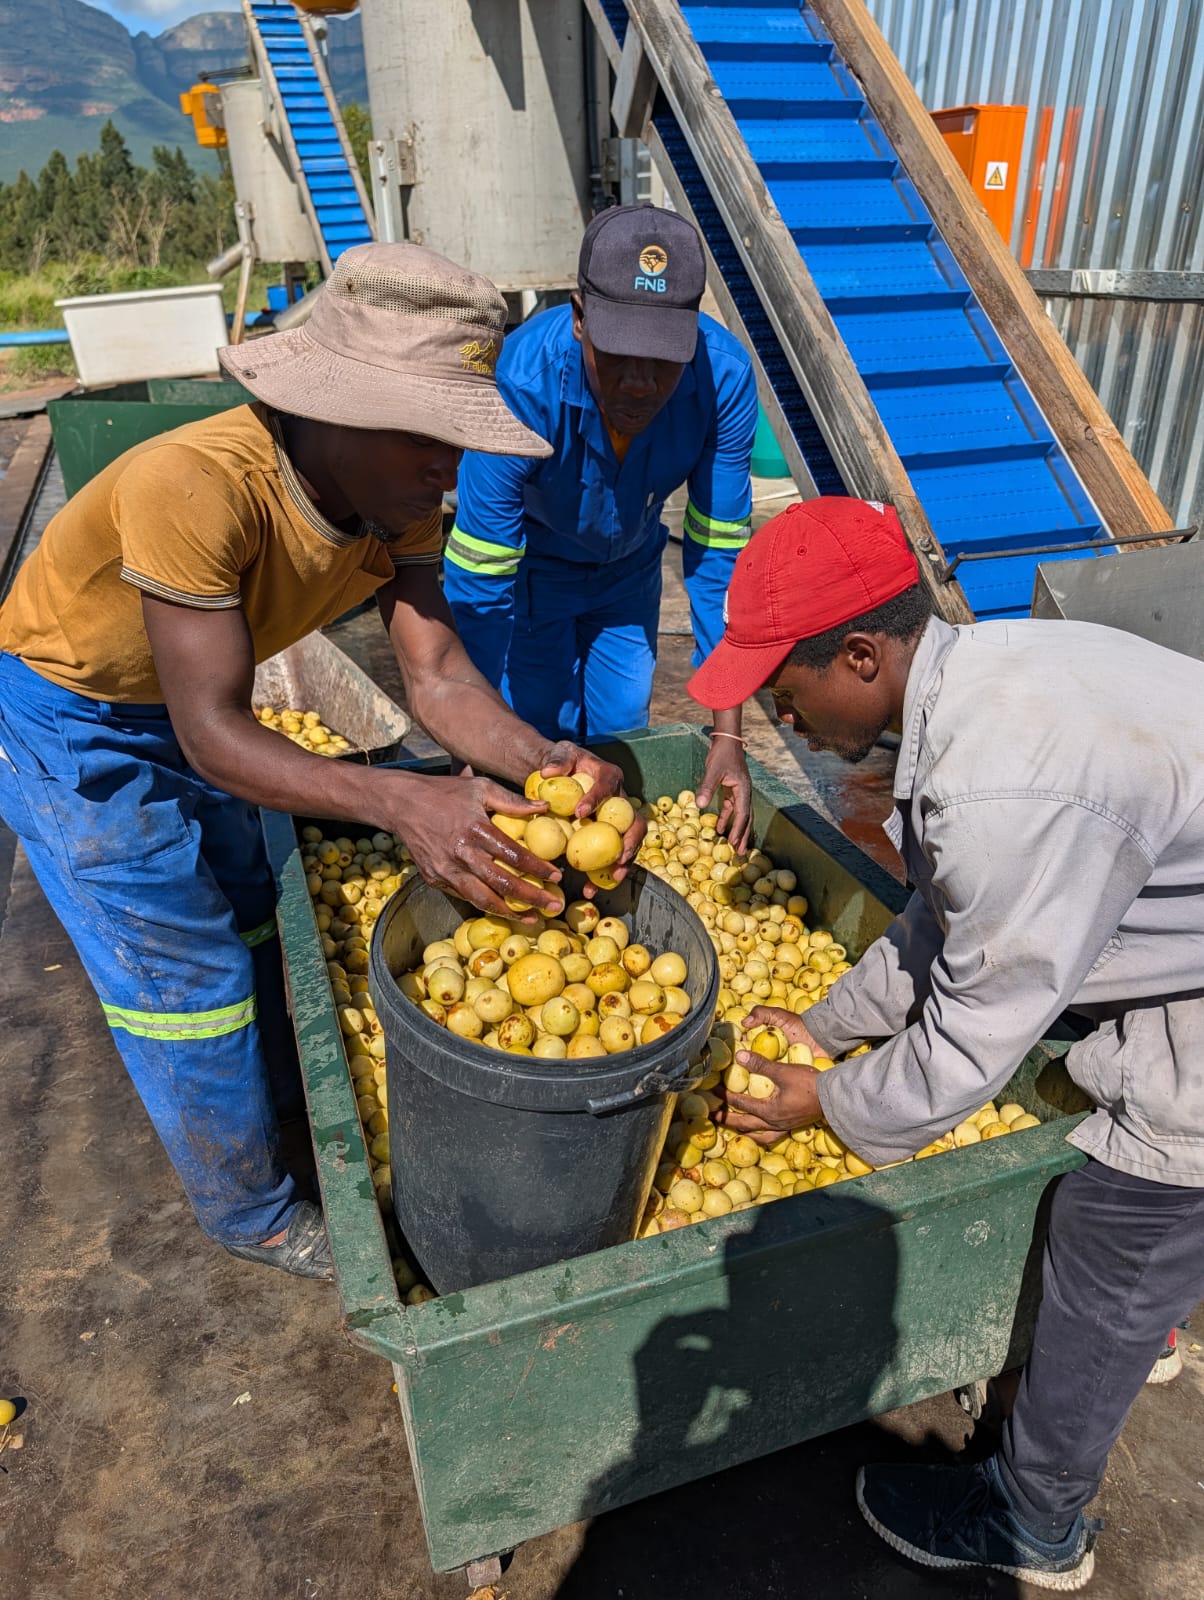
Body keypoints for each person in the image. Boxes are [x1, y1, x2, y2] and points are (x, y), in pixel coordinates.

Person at [0, 243, 640, 1282]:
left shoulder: (398, 505)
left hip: (192, 697)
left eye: (458, 436)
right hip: (71, 717)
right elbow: (210, 732)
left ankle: (280, 1078)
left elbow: (435, 680)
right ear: (332, 408)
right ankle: (246, 1206)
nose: (453, 465)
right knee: (181, 963)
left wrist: (544, 761)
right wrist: (402, 800)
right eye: (429, 434)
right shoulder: (195, 487)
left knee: (255, 892)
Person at [688, 496, 1204, 1591]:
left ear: (862, 655)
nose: (779, 710)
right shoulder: (979, 678)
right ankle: (1135, 1324)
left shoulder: (999, 779)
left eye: (786, 686)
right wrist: (825, 1026)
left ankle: (1035, 1522)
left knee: (1122, 1215)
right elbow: (948, 919)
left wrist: (819, 1102)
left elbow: (972, 1031)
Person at [445, 204, 760, 850]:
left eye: (663, 360)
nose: (641, 384)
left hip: (629, 578)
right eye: (619, 356)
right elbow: (480, 581)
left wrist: (728, 734)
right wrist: (467, 747)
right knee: (541, 740)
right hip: (534, 579)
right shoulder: (520, 384)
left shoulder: (723, 380)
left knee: (622, 732)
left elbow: (718, 553)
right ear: (580, 317)